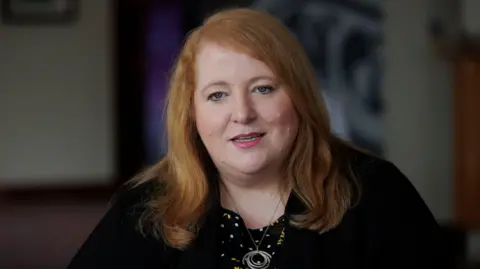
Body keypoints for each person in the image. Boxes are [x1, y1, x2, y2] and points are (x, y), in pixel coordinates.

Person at [68, 8, 453, 269]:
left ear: (299, 97)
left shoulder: (376, 193)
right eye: (217, 94)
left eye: (263, 88)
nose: (242, 113)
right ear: (192, 114)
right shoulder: (145, 210)